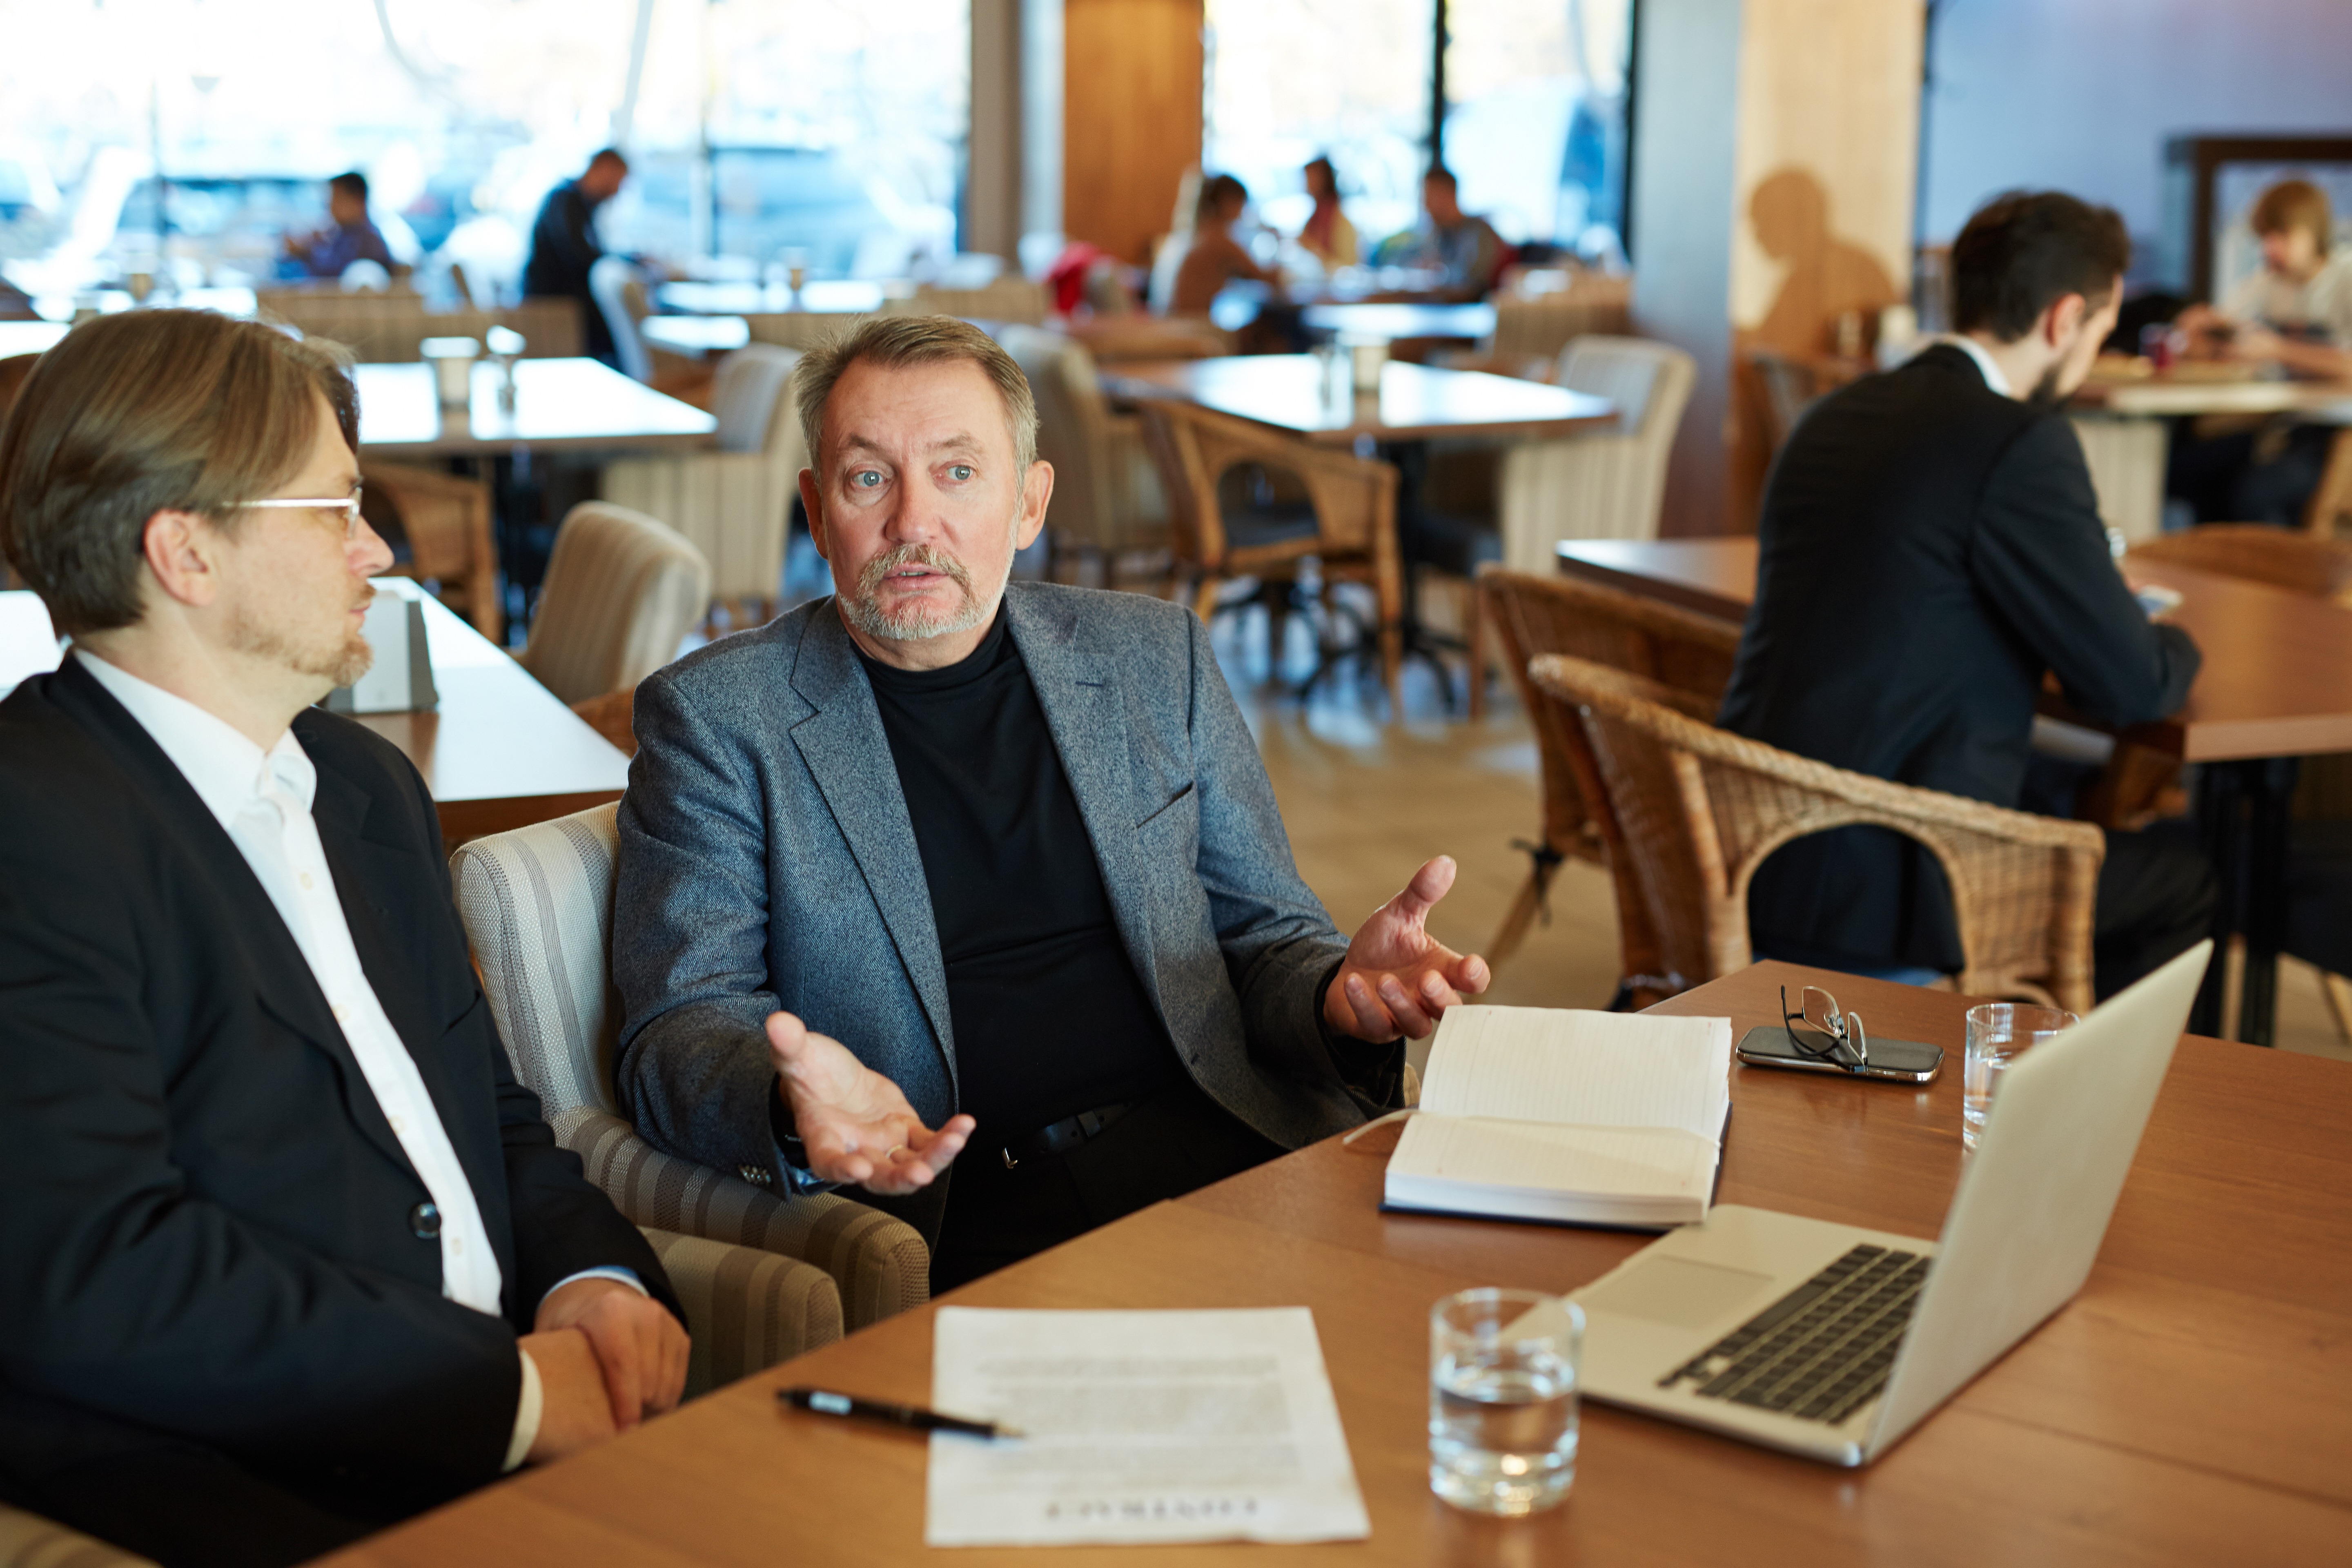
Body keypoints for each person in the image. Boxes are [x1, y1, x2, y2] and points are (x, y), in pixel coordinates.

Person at [0, 310, 690, 1567]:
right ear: (186, 551)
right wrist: (517, 1396)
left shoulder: (364, 786)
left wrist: (596, 1279)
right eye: (333, 507)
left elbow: (494, 1117)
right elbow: (101, 1271)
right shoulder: (31, 830)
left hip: (510, 1419)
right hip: (264, 1480)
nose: (374, 545)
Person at [612, 315, 1488, 1292]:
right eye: (869, 478)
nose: (911, 523)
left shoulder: (1153, 659)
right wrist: (786, 1102)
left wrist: (1339, 996)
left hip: (1228, 1147)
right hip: (971, 1208)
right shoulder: (717, 717)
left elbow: (1265, 937)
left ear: (1029, 503)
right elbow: (675, 1031)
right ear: (816, 511)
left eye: (956, 472)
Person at [1717, 190, 2212, 1002]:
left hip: (1756, 837)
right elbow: (2132, 685)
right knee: (2183, 876)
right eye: (2099, 333)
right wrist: (2178, 638)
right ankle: (2078, 1116)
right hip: (1894, 873)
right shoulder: (2019, 443)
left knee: (2064, 792)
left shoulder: (1832, 413)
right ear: (2064, 319)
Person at [2169, 178, 2352, 527]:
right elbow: (2216, 330)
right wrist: (2202, 331)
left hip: (2339, 432)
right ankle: (2216, 575)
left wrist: (2278, 349)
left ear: (2315, 232)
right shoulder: (2267, 282)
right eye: (2267, 238)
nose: (2272, 249)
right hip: (2284, 424)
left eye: (2283, 237)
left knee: (2253, 494)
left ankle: (2277, 575)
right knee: (2188, 471)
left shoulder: (2345, 277)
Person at [523, 148, 630, 365]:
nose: (618, 191)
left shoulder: (581, 203)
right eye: (619, 181)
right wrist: (626, 261)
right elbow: (581, 257)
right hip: (553, 304)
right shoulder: (564, 200)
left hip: (567, 300)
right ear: (605, 170)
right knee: (616, 330)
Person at [1171, 173, 1281, 316]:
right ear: (1227, 202)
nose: (1243, 210)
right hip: (1193, 324)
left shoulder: (1205, 233)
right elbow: (1266, 277)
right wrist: (1278, 242)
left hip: (1183, 319)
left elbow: (1245, 274)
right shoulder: (1220, 240)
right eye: (1241, 203)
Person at [1401, 167, 1504, 301]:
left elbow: (1472, 287)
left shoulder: (1477, 232)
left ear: (1447, 194)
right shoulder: (1441, 234)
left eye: (1429, 197)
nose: (1426, 206)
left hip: (1471, 314)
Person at [279, 170, 394, 281]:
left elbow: (333, 279)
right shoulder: (345, 234)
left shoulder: (369, 242)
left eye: (337, 198)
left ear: (357, 201)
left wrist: (306, 252)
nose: (331, 206)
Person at [1296, 155, 1358, 270]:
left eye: (1312, 177)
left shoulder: (1340, 222)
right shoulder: (1314, 218)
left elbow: (1347, 267)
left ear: (1325, 179)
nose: (1308, 184)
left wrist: (1312, 249)